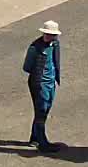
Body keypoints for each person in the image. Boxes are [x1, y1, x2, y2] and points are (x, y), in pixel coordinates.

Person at [22, 20, 63, 153]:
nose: (48, 36)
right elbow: (27, 67)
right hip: (39, 84)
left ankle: (34, 138)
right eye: (46, 34)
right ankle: (42, 142)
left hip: (51, 83)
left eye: (51, 34)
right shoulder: (35, 48)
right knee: (42, 111)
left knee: (45, 109)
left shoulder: (55, 44)